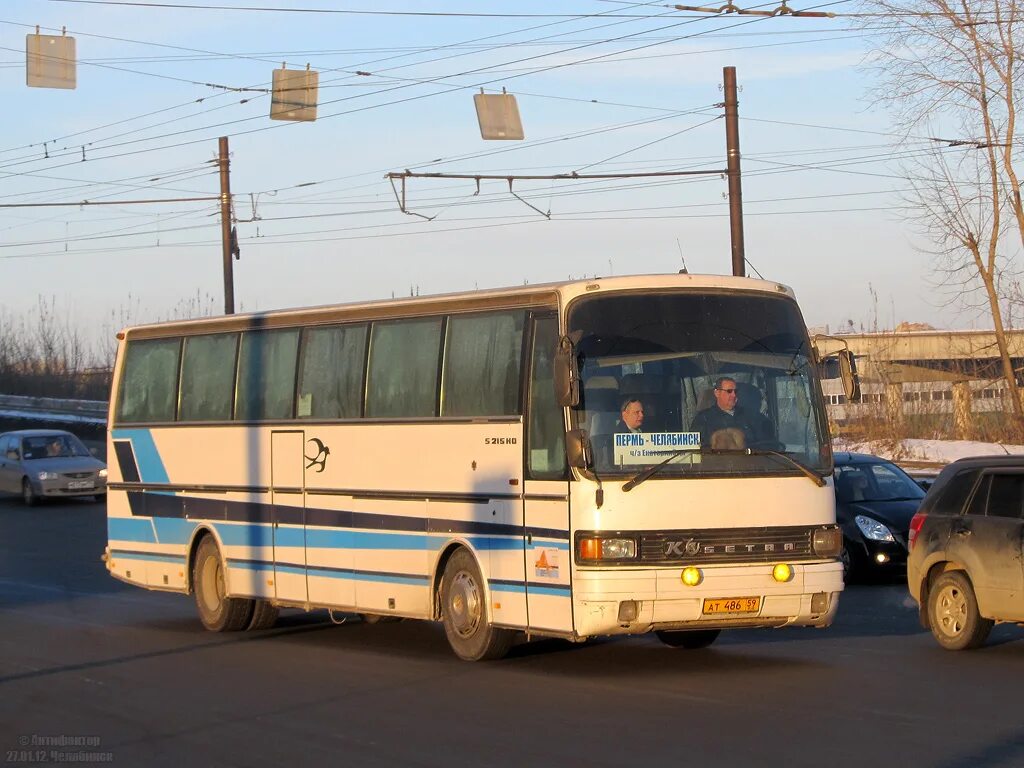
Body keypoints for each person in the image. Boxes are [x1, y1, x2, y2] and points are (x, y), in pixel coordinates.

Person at [689, 377, 764, 449]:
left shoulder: (750, 416)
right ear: (717, 393)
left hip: (749, 461)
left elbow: (764, 445)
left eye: (735, 391)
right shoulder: (703, 419)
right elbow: (694, 449)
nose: (734, 395)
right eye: (729, 391)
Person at [593, 397, 645, 467]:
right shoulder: (615, 436)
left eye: (642, 412)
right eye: (637, 412)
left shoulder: (647, 431)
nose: (641, 415)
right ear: (624, 415)